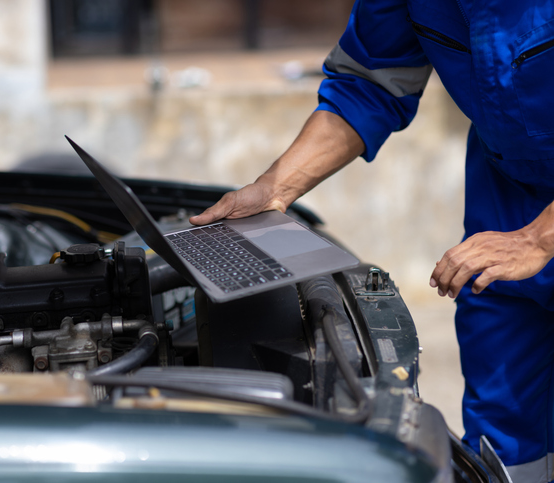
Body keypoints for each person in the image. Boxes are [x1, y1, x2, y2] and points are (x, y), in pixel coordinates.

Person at [189, 1, 554, 481]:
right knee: (506, 443)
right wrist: (277, 187)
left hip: (532, 234)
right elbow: (369, 83)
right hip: (503, 218)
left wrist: (541, 240)